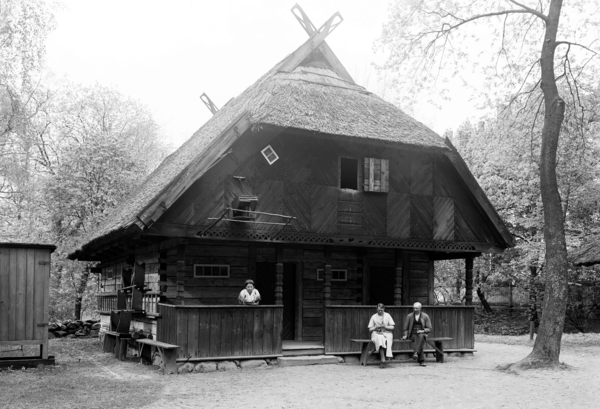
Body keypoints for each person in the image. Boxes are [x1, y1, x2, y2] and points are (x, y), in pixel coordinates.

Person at [401, 302, 432, 367]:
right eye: (414, 308)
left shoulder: (425, 316)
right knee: (420, 340)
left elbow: (429, 328)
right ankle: (421, 360)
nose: (415, 310)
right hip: (412, 334)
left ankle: (416, 353)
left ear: (420, 308)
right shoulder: (409, 316)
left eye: (416, 308)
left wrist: (422, 330)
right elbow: (405, 328)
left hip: (422, 334)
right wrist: (405, 335)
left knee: (421, 336)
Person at [368, 303, 395, 368]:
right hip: (376, 333)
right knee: (380, 338)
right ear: (376, 309)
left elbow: (392, 327)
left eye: (382, 310)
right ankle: (382, 359)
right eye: (379, 310)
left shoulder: (387, 315)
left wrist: (385, 326)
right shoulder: (373, 316)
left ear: (384, 309)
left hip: (386, 332)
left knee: (386, 338)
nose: (380, 311)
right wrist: (375, 327)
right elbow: (370, 329)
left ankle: (386, 357)